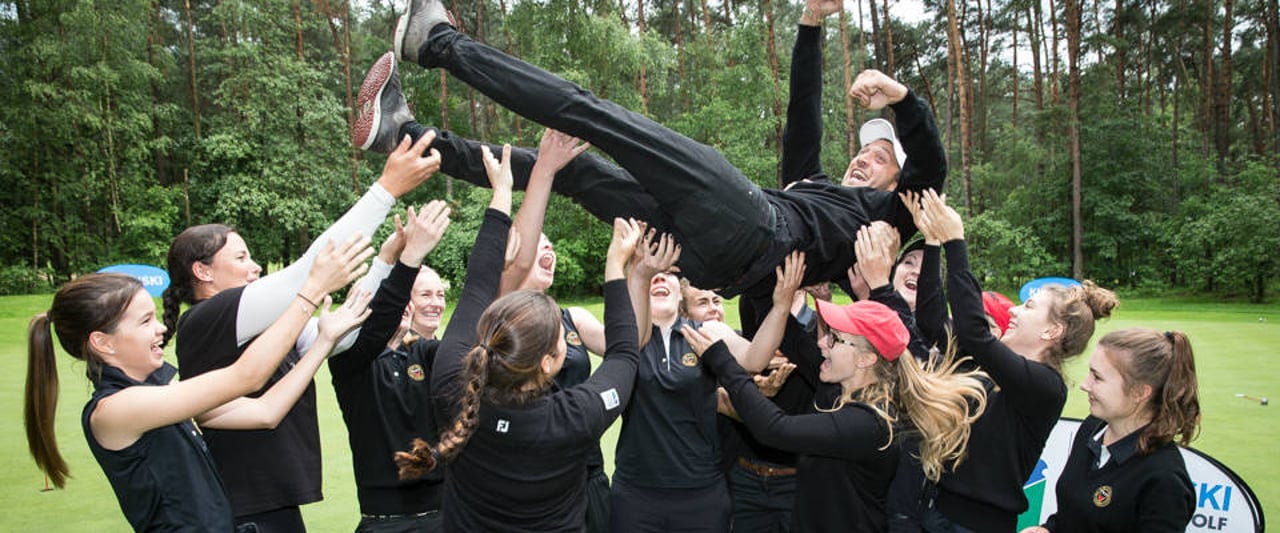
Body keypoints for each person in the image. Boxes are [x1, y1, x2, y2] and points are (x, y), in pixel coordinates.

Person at [354, 1, 945, 308]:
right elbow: (803, 116)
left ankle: (436, 42)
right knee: (576, 171)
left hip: (748, 226)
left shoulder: (888, 221)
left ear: (897, 186)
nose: (866, 160)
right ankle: (405, 137)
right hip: (707, 256)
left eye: (881, 161)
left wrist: (903, 101)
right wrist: (811, 23)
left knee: (594, 116)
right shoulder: (814, 187)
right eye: (865, 152)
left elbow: (931, 172)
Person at [162, 134, 441, 531]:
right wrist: (386, 190)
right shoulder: (206, 318)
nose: (255, 266)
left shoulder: (265, 327)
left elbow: (350, 334)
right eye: (242, 257)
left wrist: (388, 263)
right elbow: (305, 272)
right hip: (241, 509)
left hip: (273, 504)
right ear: (202, 272)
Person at [24, 240, 371, 531]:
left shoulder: (160, 397)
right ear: (103, 342)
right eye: (145, 321)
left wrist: (324, 341)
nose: (161, 329)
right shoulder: (115, 410)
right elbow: (246, 376)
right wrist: (308, 292)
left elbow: (266, 410)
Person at [391, 142, 650, 532]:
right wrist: (617, 264)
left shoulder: (452, 384)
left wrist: (501, 194)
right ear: (548, 362)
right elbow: (626, 356)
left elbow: (479, 282)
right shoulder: (572, 419)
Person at [684, 251, 988, 532]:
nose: (822, 342)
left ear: (866, 358)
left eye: (835, 339)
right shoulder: (837, 392)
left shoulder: (870, 423)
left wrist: (720, 358)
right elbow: (792, 337)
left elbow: (775, 429)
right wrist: (777, 293)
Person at [906, 190, 1119, 532]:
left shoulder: (1044, 387)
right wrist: (932, 243)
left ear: (1052, 330)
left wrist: (955, 241)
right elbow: (932, 319)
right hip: (933, 512)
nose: (1015, 312)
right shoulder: (986, 367)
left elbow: (975, 334)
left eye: (1030, 307)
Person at [327, 201, 453, 532]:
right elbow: (376, 320)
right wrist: (403, 259)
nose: (435, 302)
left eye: (440, 294)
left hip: (445, 516)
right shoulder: (351, 361)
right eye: (424, 293)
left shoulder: (428, 353)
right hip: (386, 523)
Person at [1023, 329, 1199, 533]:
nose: (1084, 385)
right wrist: (1049, 529)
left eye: (1097, 377)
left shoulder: (1164, 479)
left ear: (1140, 392)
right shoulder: (1092, 428)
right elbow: (1075, 517)